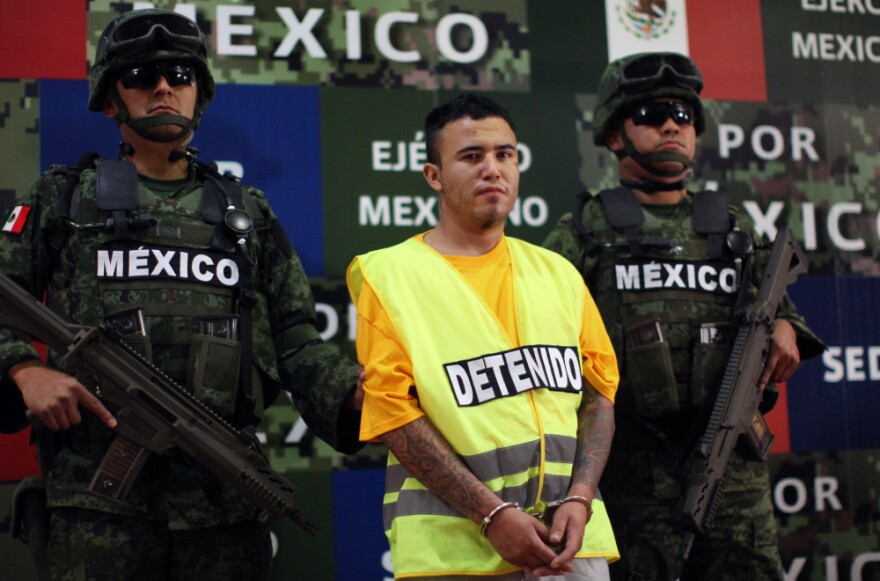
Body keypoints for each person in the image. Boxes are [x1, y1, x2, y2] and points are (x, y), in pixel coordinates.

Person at [0, 9, 363, 579]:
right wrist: (24, 370)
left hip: (222, 503)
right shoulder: (64, 198)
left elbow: (296, 341)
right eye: (142, 75)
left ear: (200, 92)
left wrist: (352, 392)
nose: (164, 87)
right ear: (110, 97)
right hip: (97, 507)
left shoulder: (247, 213)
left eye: (179, 74)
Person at [542, 52, 825, 580]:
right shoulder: (584, 230)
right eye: (650, 115)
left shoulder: (730, 224)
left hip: (733, 475)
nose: (673, 124)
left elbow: (780, 311)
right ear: (612, 134)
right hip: (630, 471)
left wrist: (788, 329)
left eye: (683, 114)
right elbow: (538, 338)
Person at [347, 93, 620, 580]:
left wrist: (580, 498)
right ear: (434, 176)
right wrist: (492, 515)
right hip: (456, 553)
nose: (492, 168)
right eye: (471, 157)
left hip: (571, 542)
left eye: (505, 154)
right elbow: (390, 412)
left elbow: (599, 395)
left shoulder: (558, 272)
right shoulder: (388, 274)